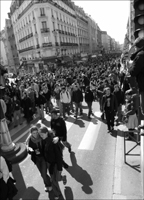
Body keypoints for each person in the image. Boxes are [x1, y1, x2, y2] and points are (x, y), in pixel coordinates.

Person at [39, 126, 66, 200]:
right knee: (54, 179)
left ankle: (61, 179)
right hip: (48, 164)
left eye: (42, 134)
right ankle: (57, 192)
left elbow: (59, 156)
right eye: (40, 134)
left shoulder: (53, 142)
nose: (41, 136)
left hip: (55, 164)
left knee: (55, 179)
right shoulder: (43, 141)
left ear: (46, 133)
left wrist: (60, 168)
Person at [26, 125, 52, 192]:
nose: (35, 134)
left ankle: (48, 185)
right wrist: (30, 150)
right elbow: (28, 148)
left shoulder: (41, 137)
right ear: (31, 133)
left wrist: (56, 138)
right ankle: (48, 182)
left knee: (43, 173)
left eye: (36, 132)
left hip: (43, 157)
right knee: (42, 173)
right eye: (33, 133)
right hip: (36, 158)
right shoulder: (30, 140)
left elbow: (49, 136)